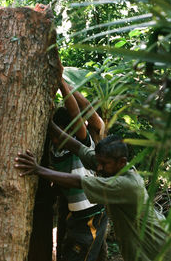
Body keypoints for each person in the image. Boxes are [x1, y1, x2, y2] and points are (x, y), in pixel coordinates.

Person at [15, 128, 171, 261]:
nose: (99, 168)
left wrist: (38, 170)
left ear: (121, 162)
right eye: (98, 162)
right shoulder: (113, 167)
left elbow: (78, 181)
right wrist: (50, 125)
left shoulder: (127, 185)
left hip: (159, 251)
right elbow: (78, 148)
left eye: (104, 164)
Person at [52, 79, 107, 261]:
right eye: (56, 134)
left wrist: (62, 85)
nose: (58, 138)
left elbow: (76, 115)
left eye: (64, 133)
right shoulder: (54, 151)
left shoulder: (82, 144)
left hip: (93, 212)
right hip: (76, 215)